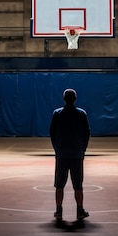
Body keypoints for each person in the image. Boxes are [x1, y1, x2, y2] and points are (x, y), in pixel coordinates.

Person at [49, 88, 91, 221]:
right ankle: (79, 210)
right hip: (76, 154)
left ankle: (58, 210)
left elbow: (52, 132)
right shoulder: (81, 114)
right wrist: (82, 149)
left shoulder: (57, 114)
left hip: (62, 154)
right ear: (75, 99)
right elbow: (87, 133)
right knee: (78, 185)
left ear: (64, 99)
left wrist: (57, 148)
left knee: (59, 184)